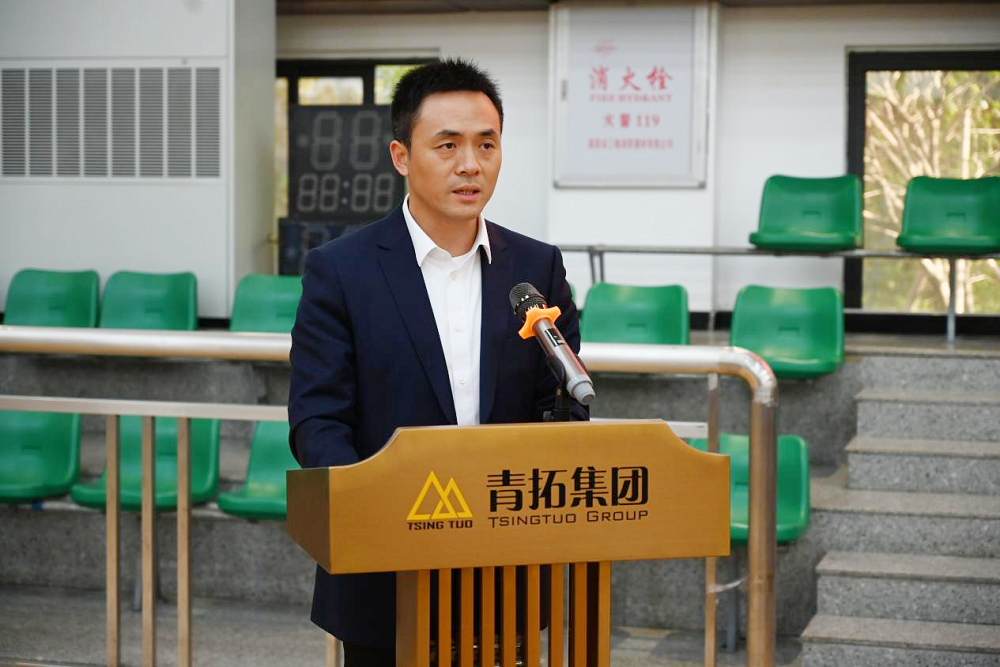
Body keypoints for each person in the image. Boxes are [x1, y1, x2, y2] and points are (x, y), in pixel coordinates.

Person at [288, 58, 587, 666]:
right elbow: (317, 419)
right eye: (447, 145)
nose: (470, 164)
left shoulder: (536, 268)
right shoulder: (341, 270)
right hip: (384, 572)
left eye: (486, 144)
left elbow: (558, 406)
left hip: (504, 572)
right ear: (401, 156)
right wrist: (372, 505)